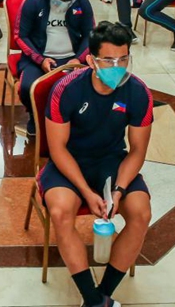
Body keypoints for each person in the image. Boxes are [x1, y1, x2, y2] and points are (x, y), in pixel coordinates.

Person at [40, 21, 152, 307]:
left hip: (112, 161)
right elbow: (57, 149)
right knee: (61, 211)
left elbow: (138, 150)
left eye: (123, 59)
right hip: (69, 162)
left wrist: (119, 190)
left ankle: (103, 294)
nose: (118, 66)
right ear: (91, 60)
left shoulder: (138, 92)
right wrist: (87, 193)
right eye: (109, 60)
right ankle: (92, 300)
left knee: (140, 213)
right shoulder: (66, 90)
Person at [16, 0, 95, 135]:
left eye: (68, 0)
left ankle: (73, 119)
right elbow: (21, 36)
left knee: (92, 86)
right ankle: (35, 115)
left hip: (72, 57)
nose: (63, 3)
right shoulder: (33, 0)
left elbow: (91, 34)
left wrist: (78, 59)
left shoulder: (81, 1)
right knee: (27, 87)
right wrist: (40, 60)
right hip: (39, 56)